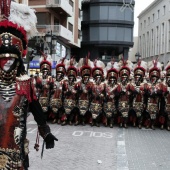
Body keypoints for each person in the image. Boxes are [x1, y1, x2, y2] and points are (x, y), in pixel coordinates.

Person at [0, 1, 57, 169]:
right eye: (3, 60)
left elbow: (36, 108)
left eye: (11, 60)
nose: (6, 64)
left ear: (18, 60)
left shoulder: (25, 84)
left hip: (16, 150)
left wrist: (45, 132)